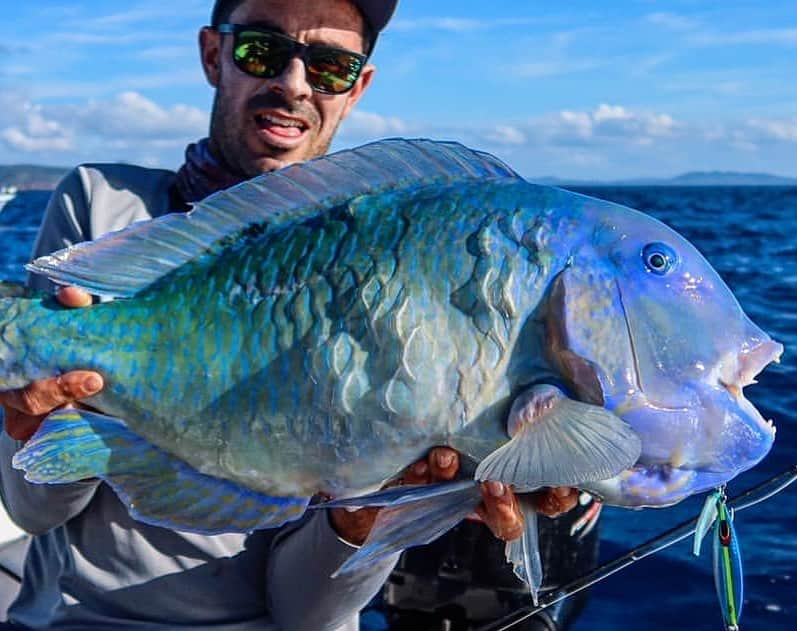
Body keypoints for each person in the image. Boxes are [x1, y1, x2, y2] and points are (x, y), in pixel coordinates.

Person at [0, 1, 584, 629]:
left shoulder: (396, 274)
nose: (294, 83)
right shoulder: (103, 209)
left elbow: (304, 613)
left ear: (357, 87)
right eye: (262, 51)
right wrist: (47, 423)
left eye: (331, 66)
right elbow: (33, 511)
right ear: (212, 54)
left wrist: (368, 514)